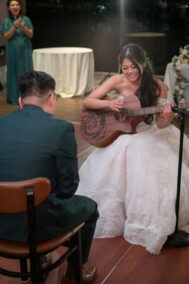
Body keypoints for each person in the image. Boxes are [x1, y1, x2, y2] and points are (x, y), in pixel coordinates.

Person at [77, 43, 189, 255]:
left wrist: (168, 114)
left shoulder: (157, 86)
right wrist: (109, 105)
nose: (128, 72)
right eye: (125, 67)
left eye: (133, 67)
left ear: (143, 64)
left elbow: (162, 123)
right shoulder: (117, 80)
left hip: (149, 132)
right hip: (122, 133)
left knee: (151, 164)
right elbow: (89, 101)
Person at [0, 71, 98, 283]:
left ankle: (40, 261)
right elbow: (68, 188)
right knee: (90, 208)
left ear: (20, 100)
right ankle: (73, 272)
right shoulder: (61, 129)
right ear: (52, 97)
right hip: (35, 226)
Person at [1, 0, 33, 105]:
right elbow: (7, 36)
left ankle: (27, 98)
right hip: (13, 51)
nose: (15, 7)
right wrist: (14, 26)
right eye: (12, 5)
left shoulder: (26, 19)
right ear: (9, 8)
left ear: (20, 7)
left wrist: (23, 26)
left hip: (25, 51)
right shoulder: (6, 21)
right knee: (14, 73)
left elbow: (30, 35)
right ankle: (14, 97)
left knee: (26, 73)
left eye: (17, 5)